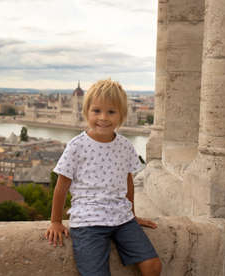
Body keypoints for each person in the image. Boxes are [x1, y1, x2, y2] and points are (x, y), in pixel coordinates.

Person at [45, 79, 162, 276]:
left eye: (111, 112)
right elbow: (61, 186)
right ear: (86, 112)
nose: (103, 118)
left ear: (122, 115)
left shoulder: (125, 146)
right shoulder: (76, 146)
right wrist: (55, 221)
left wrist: (132, 214)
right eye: (97, 111)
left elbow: (128, 183)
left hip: (122, 218)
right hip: (88, 221)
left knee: (153, 266)